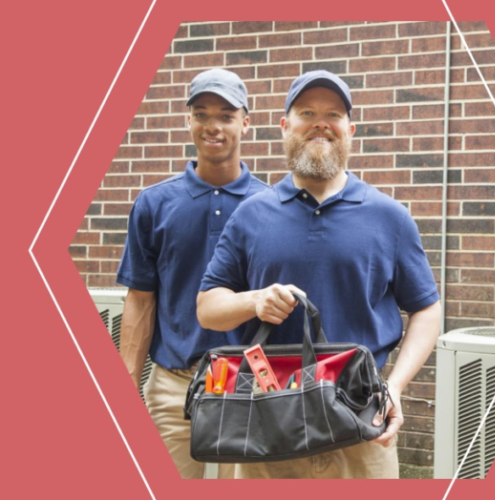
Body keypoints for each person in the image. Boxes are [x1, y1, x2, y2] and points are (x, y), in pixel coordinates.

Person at [196, 70, 442, 479]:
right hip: (266, 425)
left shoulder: (390, 218)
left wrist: (394, 386)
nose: (320, 122)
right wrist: (253, 300)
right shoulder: (250, 215)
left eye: (333, 113)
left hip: (361, 423)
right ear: (284, 126)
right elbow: (208, 307)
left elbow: (427, 310)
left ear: (350, 129)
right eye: (306, 111)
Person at [116, 68, 269, 479]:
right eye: (201, 114)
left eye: (225, 115)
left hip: (249, 384)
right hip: (173, 386)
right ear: (188, 121)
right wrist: (126, 383)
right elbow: (141, 299)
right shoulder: (154, 204)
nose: (212, 126)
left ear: (246, 123)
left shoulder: (273, 206)